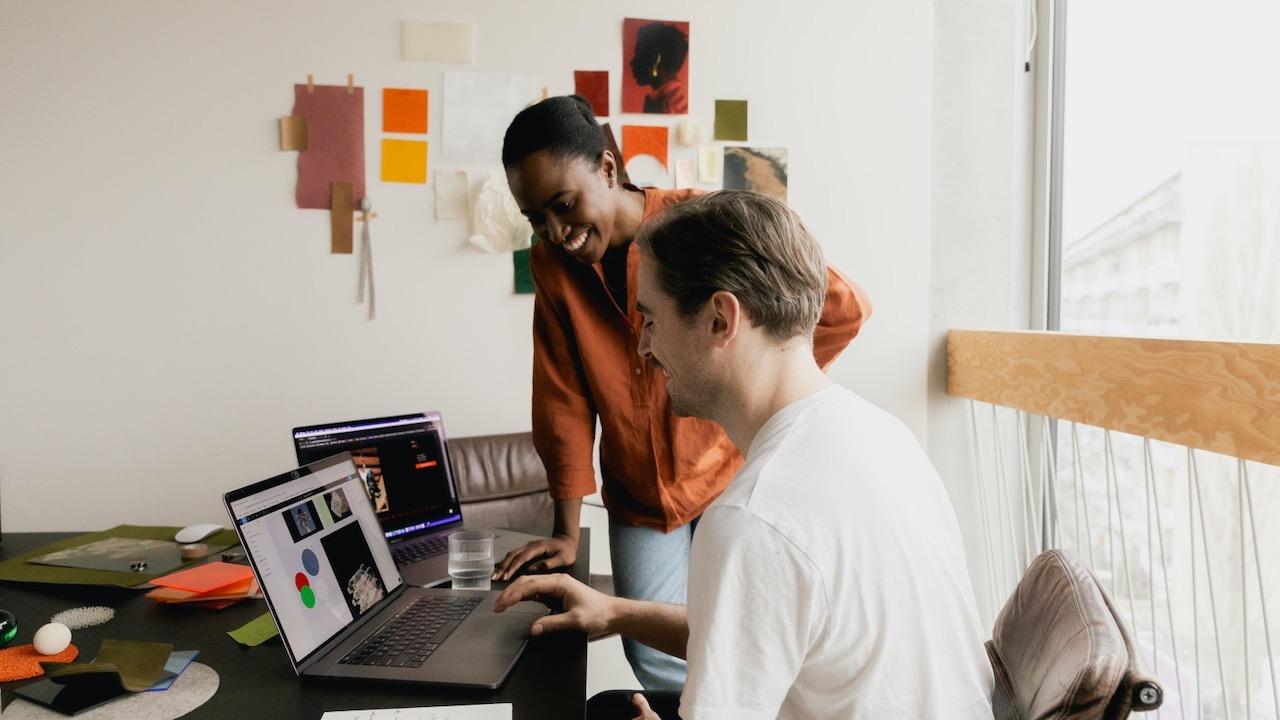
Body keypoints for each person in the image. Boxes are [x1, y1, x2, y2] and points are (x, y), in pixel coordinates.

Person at [494, 191, 994, 719]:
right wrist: (617, 613)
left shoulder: (754, 516)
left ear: (719, 320)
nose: (643, 349)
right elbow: (770, 629)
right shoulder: (885, 437)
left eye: (652, 321)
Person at [495, 96, 872, 691]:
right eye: (537, 218)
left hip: (730, 474)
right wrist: (567, 531)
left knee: (747, 641)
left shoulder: (699, 225)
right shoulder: (550, 265)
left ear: (609, 169)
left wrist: (759, 400)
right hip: (639, 493)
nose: (556, 232)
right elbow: (561, 395)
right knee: (654, 657)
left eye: (564, 206)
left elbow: (842, 308)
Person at [629, 21, 689, 114]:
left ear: (656, 60)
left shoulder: (667, 104)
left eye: (640, 56)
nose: (632, 63)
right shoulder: (674, 99)